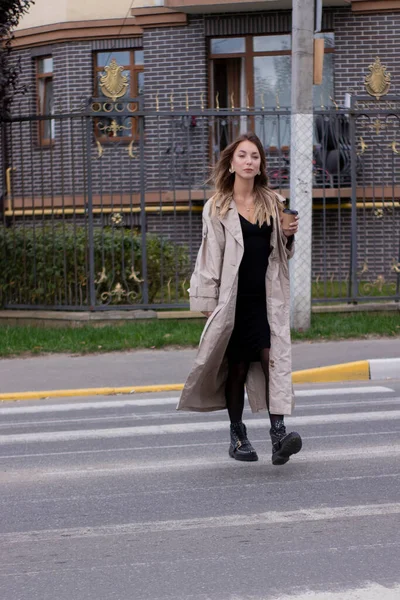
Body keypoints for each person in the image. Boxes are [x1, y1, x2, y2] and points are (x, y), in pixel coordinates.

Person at [177, 132, 302, 466]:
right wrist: (207, 300)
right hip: (232, 300)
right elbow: (209, 255)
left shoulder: (272, 202)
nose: (250, 162)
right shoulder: (217, 205)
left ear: (260, 165)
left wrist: (289, 236)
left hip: (265, 298)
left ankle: (279, 434)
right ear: (231, 163)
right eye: (243, 156)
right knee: (237, 367)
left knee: (270, 356)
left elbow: (281, 254)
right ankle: (237, 435)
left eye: (255, 157)